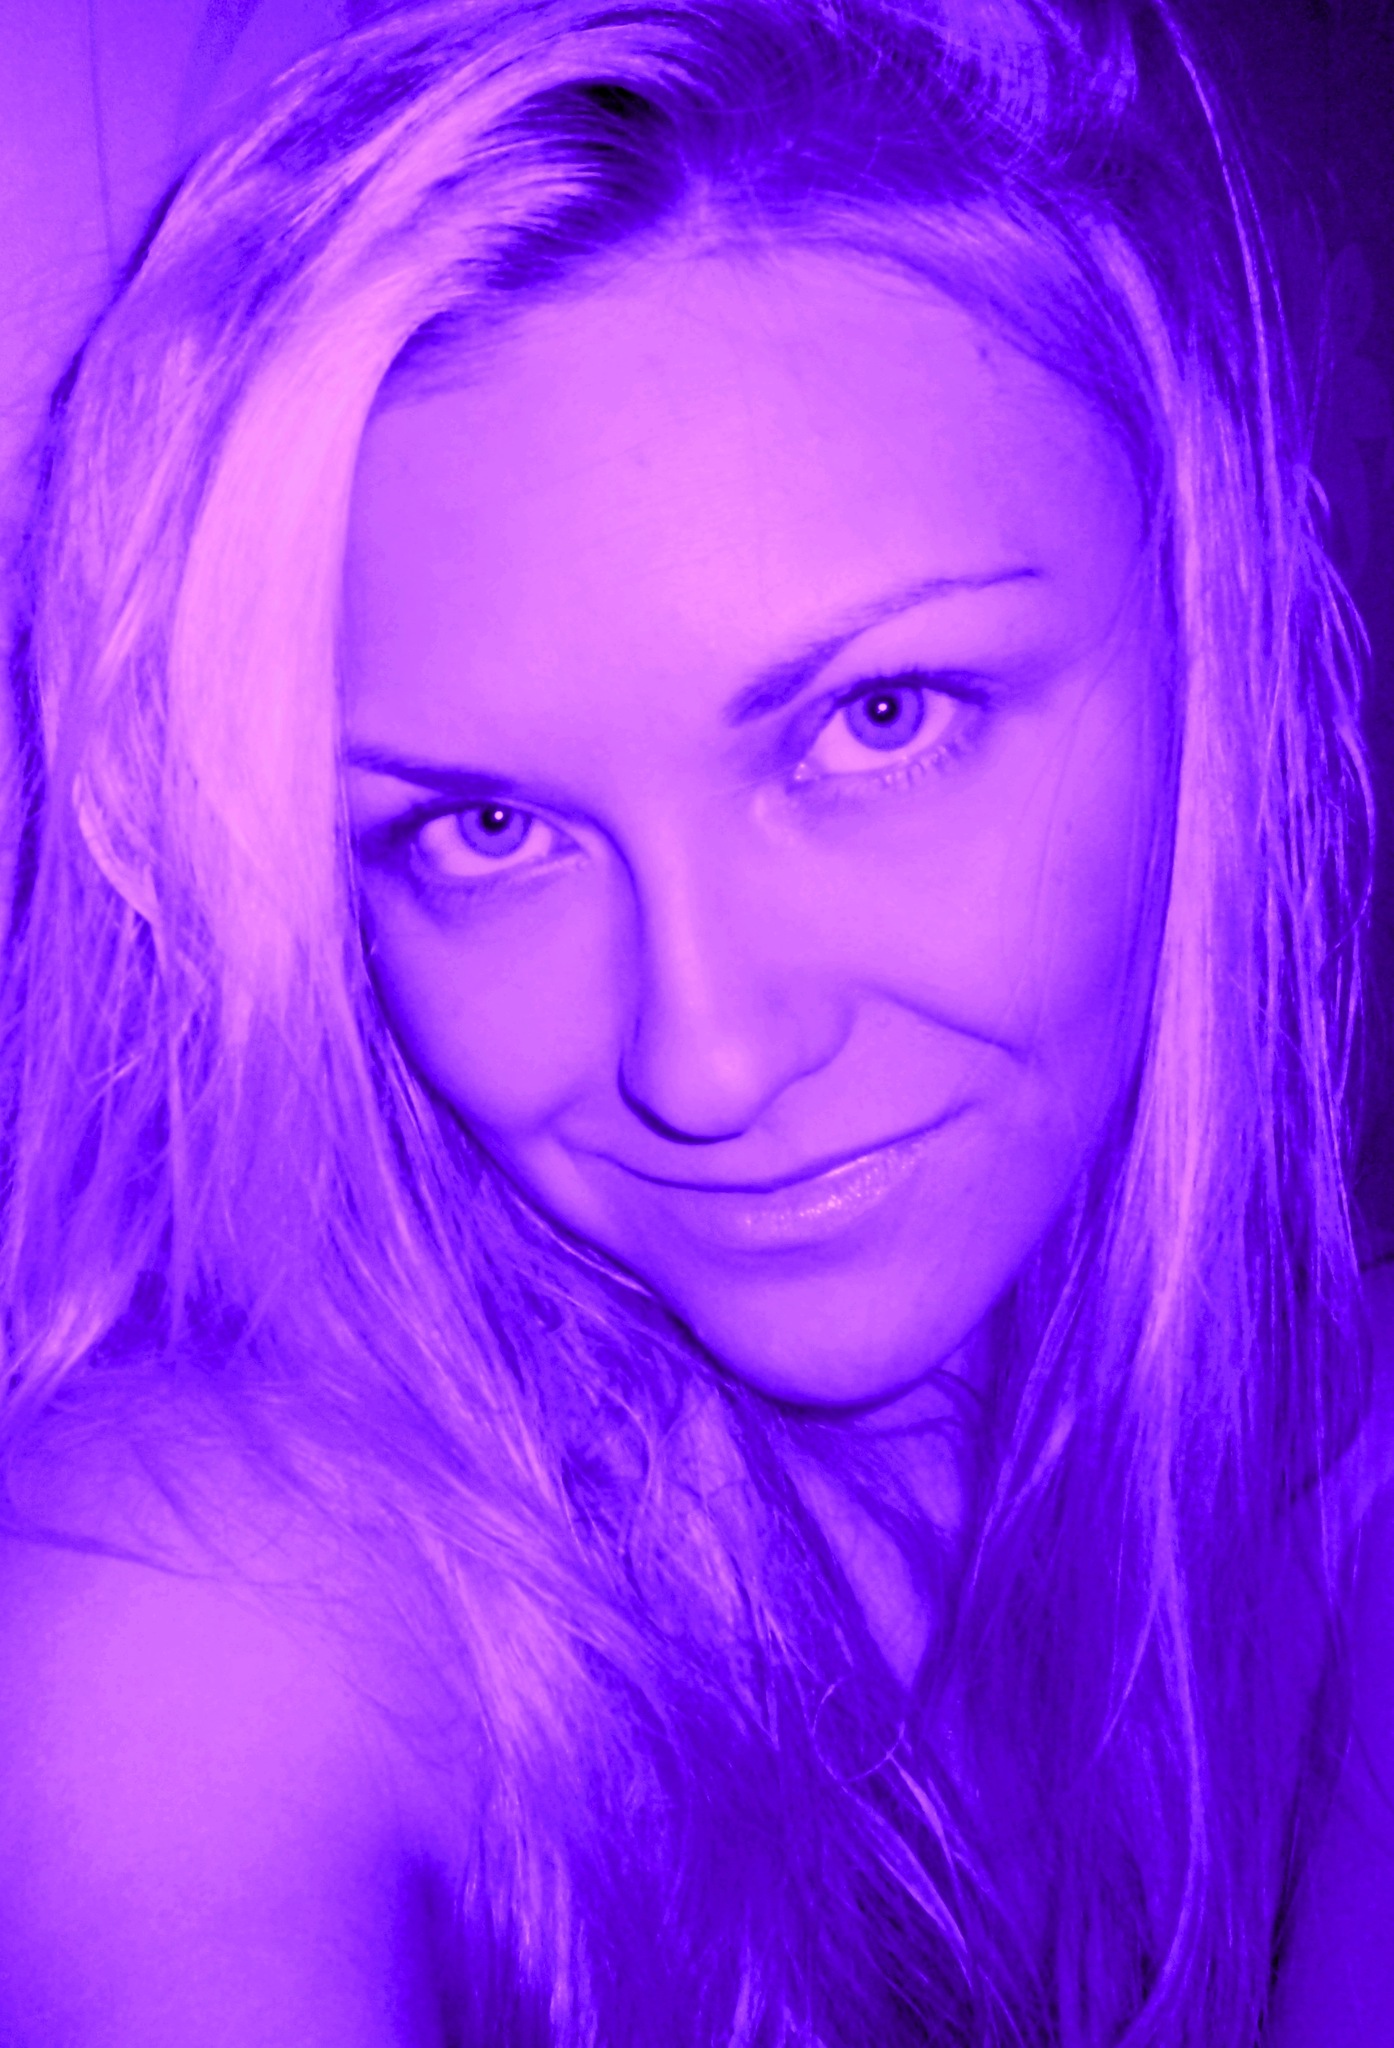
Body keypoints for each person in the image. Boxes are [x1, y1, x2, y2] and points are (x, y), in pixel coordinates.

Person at [0, 0, 1381, 2040]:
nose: (704, 1064)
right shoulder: (188, 1627)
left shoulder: (1312, 1478)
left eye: (878, 720)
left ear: (1216, 638)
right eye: (483, 830)